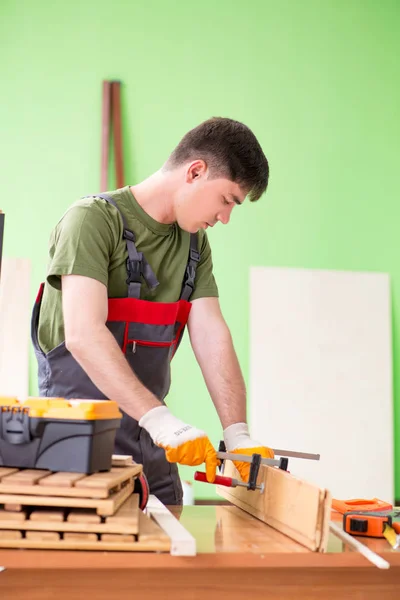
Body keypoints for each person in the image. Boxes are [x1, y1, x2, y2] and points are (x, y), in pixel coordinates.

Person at [31, 116, 274, 505]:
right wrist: (160, 419)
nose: (225, 218)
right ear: (196, 171)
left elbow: (212, 335)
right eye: (227, 200)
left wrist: (238, 433)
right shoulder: (92, 220)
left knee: (172, 556)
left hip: (152, 446)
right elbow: (83, 334)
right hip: (77, 450)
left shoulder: (194, 245)